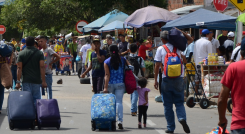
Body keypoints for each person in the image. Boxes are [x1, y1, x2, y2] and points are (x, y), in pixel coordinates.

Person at [154, 31, 190, 133]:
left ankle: (170, 127)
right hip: (179, 78)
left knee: (167, 105)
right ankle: (182, 118)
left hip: (166, 79)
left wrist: (156, 80)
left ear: (162, 39)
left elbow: (157, 65)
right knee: (179, 103)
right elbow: (190, 40)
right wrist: (181, 32)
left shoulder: (161, 49)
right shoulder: (178, 48)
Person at [218, 38, 245, 134]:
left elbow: (222, 98)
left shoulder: (233, 68)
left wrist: (222, 119)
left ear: (241, 53)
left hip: (239, 125)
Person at [103, 45, 130, 129]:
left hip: (110, 84)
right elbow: (130, 67)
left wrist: (105, 87)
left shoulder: (106, 61)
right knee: (119, 102)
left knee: (111, 103)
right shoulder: (123, 60)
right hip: (120, 84)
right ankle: (120, 121)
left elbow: (107, 75)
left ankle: (112, 120)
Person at [15, 36, 47, 107]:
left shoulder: (21, 53)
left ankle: (29, 116)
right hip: (36, 81)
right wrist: (44, 81)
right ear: (34, 43)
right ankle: (36, 116)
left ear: (26, 44)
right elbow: (42, 67)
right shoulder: (39, 53)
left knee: (27, 100)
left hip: (26, 80)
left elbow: (19, 68)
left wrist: (18, 82)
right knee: (37, 100)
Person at [128, 43, 146, 116]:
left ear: (129, 50)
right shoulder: (140, 58)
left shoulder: (126, 58)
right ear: (137, 50)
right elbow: (143, 69)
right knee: (135, 93)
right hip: (137, 78)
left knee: (132, 93)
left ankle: (133, 107)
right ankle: (133, 110)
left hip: (128, 78)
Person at [193, 29, 212, 94]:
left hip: (197, 62)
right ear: (207, 35)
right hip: (205, 63)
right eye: (209, 34)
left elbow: (194, 53)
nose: (210, 35)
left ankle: (196, 91)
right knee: (204, 78)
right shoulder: (208, 42)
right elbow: (210, 54)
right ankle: (203, 93)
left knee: (197, 78)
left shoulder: (196, 41)